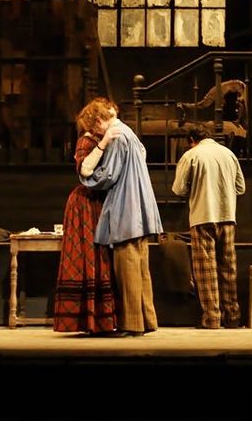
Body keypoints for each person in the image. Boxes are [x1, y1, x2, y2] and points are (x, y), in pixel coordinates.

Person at [80, 103, 163, 336]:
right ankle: (147, 320)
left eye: (93, 128)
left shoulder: (116, 136)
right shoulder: (130, 133)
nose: (95, 134)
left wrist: (88, 176)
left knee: (127, 269)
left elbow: (108, 175)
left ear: (98, 121)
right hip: (141, 206)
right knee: (141, 268)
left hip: (127, 208)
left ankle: (132, 324)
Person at [53, 97, 119, 335]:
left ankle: (102, 320)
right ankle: (86, 319)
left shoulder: (103, 139)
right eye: (109, 117)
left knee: (101, 256)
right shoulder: (87, 141)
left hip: (98, 201)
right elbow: (83, 169)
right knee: (88, 253)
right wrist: (104, 144)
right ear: (96, 120)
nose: (114, 122)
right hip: (84, 203)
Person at [171, 124, 246, 329]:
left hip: (202, 217)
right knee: (228, 268)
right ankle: (232, 318)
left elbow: (178, 189)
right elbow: (241, 188)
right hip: (227, 216)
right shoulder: (228, 154)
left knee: (206, 272)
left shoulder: (191, 155)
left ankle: (212, 319)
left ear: (191, 140)